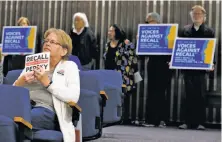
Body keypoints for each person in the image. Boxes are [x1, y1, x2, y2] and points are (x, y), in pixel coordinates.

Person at [13, 28, 80, 141]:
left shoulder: (69, 66)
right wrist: (22, 80)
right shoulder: (34, 62)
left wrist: (47, 83)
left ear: (63, 51)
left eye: (52, 42)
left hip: (46, 109)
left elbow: (73, 96)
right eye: (46, 41)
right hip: (22, 106)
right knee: (11, 119)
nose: (47, 44)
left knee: (17, 121)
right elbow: (12, 92)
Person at [178, 5, 215, 130]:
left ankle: (200, 122)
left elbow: (212, 49)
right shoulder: (184, 30)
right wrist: (174, 61)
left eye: (199, 14)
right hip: (187, 68)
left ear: (204, 17)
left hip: (201, 69)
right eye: (194, 14)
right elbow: (179, 47)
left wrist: (212, 63)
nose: (196, 16)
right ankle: (187, 122)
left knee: (200, 95)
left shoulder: (209, 31)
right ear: (191, 16)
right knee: (187, 95)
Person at [103, 24, 138, 123]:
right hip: (109, 75)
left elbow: (133, 59)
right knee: (111, 96)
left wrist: (128, 73)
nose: (109, 33)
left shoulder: (126, 44)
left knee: (122, 97)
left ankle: (123, 117)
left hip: (122, 76)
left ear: (116, 32)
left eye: (111, 31)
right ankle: (112, 117)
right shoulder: (107, 44)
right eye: (109, 31)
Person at [143, 12, 172, 127]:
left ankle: (161, 119)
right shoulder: (147, 34)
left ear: (157, 22)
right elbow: (141, 56)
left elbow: (171, 49)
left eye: (151, 22)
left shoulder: (165, 33)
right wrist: (141, 42)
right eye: (148, 22)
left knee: (160, 93)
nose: (149, 24)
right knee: (151, 92)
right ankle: (150, 120)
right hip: (152, 65)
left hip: (164, 65)